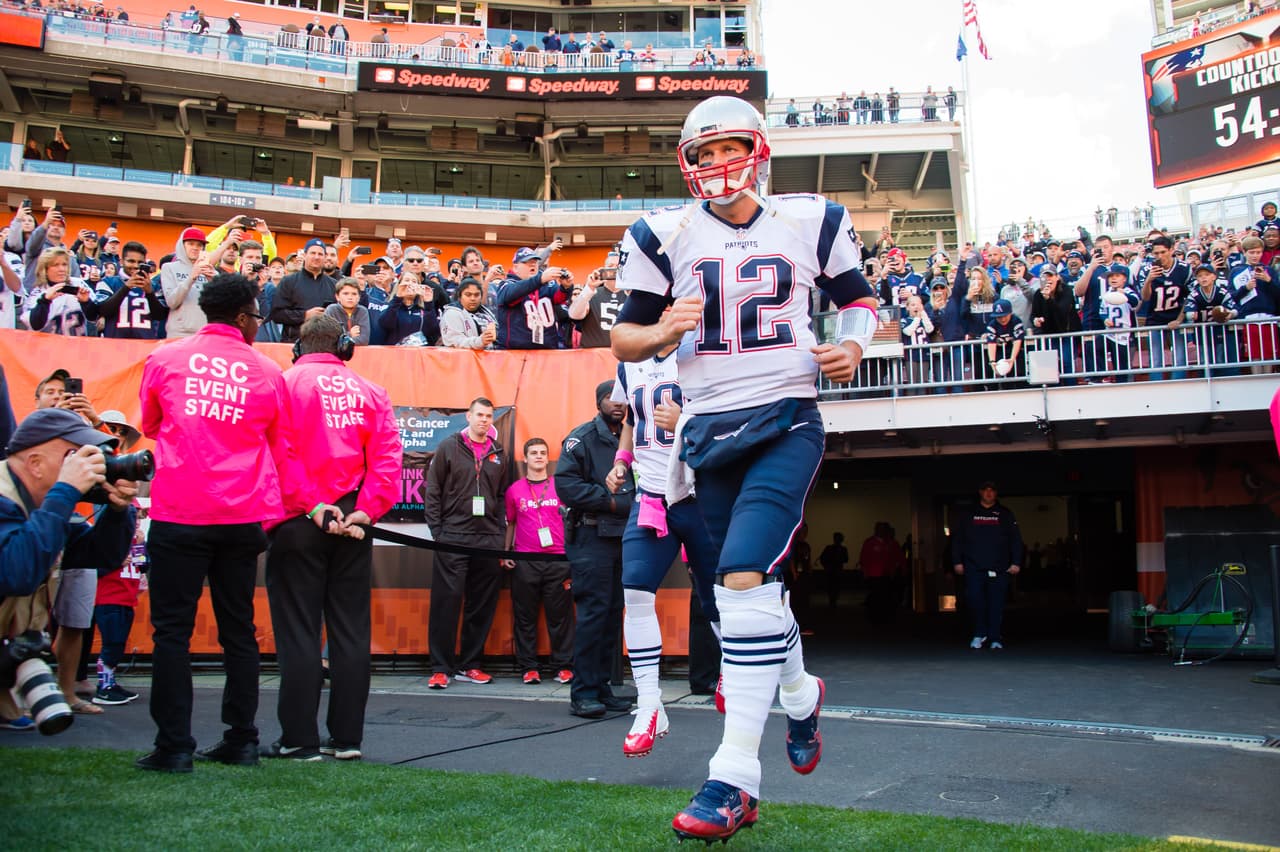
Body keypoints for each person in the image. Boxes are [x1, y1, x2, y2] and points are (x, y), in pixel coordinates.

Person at [609, 95, 878, 842]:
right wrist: (661, 329)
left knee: (743, 579)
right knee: (745, 598)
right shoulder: (663, 234)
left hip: (786, 418)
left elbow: (858, 299)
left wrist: (852, 347)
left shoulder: (810, 219)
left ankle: (733, 777)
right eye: (702, 153)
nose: (716, 164)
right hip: (707, 433)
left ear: (757, 150)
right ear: (686, 165)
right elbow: (624, 339)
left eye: (729, 147)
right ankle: (799, 690)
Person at [136, 273, 290, 773]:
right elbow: (277, 440)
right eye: (257, 317)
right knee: (238, 631)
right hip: (241, 514)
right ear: (244, 317)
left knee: (171, 633)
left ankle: (174, 746)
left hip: (180, 511)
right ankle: (241, 739)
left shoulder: (165, 358)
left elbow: (153, 425)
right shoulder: (267, 371)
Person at [263, 316, 401, 762]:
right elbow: (387, 458)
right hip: (354, 521)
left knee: (299, 632)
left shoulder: (284, 384)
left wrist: (315, 507)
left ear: (298, 346)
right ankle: (346, 739)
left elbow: (280, 456)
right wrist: (365, 509)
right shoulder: (371, 390)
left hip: (299, 521)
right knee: (350, 631)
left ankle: (299, 739)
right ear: (343, 345)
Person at [607, 345, 720, 757]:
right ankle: (650, 704)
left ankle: (735, 676)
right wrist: (622, 461)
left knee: (717, 599)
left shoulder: (701, 351)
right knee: (635, 592)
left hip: (701, 493)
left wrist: (685, 420)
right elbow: (632, 420)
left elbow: (728, 417)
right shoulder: (630, 363)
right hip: (652, 495)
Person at [0, 409, 137, 728]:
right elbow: (15, 574)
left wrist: (117, 512)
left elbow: (100, 557)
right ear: (35, 463)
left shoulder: (47, 505)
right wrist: (64, 491)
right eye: (73, 455)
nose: (86, 464)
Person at [554, 381, 635, 719]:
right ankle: (583, 693)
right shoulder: (581, 438)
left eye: (622, 399)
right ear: (598, 401)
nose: (617, 404)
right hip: (590, 538)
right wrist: (614, 503)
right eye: (609, 398)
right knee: (592, 617)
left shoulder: (632, 438)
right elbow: (566, 486)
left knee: (612, 615)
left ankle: (601, 687)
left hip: (622, 539)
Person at [423, 398, 510, 689]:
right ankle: (440, 668)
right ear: (469, 417)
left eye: (489, 416)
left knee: (481, 605)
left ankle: (470, 665)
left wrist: (498, 535)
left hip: (487, 539)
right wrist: (438, 531)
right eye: (480, 415)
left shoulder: (499, 453)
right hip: (453, 536)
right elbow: (432, 489)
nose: (484, 420)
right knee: (446, 604)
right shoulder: (449, 446)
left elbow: (500, 497)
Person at [502, 438, 573, 686]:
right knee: (525, 617)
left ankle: (563, 666)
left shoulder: (560, 487)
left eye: (543, 452)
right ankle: (529, 668)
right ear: (526, 459)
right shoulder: (514, 490)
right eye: (534, 453)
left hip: (558, 560)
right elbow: (511, 523)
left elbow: (570, 523)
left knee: (560, 617)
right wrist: (506, 552)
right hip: (525, 561)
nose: (539, 457)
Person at [951, 481, 1024, 650]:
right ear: (980, 492)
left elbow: (1016, 540)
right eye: (986, 490)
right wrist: (956, 562)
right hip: (973, 566)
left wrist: (1016, 562)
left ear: (996, 493)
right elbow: (958, 540)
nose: (989, 493)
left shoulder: (1005, 514)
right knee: (975, 600)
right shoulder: (968, 514)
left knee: (996, 603)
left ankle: (995, 637)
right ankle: (979, 633)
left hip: (999, 567)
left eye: (992, 490)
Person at [493, 247, 574, 349]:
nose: (532, 264)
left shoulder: (547, 282)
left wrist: (566, 287)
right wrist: (539, 280)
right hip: (516, 353)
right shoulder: (506, 284)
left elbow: (558, 298)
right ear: (515, 267)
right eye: (526, 262)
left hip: (546, 350)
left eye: (535, 261)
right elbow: (509, 296)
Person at [271, 238, 336, 343]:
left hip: (324, 345)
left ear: (324, 257)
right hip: (294, 344)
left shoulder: (334, 285)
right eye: (312, 253)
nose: (316, 257)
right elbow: (277, 314)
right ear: (305, 255)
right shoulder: (288, 282)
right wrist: (304, 315)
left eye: (320, 254)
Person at [440, 277, 497, 349]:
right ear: (459, 296)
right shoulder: (452, 314)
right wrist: (480, 341)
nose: (473, 298)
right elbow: (455, 341)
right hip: (464, 358)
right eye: (468, 295)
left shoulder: (487, 312)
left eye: (476, 295)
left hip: (489, 356)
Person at [818, 532, 848, 608]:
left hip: (837, 571)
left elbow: (846, 559)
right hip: (831, 571)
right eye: (836, 538)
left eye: (838, 538)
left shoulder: (843, 549)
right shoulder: (829, 548)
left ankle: (833, 600)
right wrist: (826, 567)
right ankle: (832, 600)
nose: (837, 540)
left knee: (836, 587)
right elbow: (822, 558)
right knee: (831, 587)